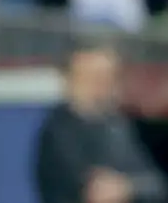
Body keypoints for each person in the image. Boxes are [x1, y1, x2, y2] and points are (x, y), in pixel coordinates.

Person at [35, 37, 167, 203]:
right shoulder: (59, 131)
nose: (100, 86)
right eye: (92, 77)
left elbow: (156, 184)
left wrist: (129, 187)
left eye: (107, 77)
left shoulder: (119, 126)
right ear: (69, 80)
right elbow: (93, 189)